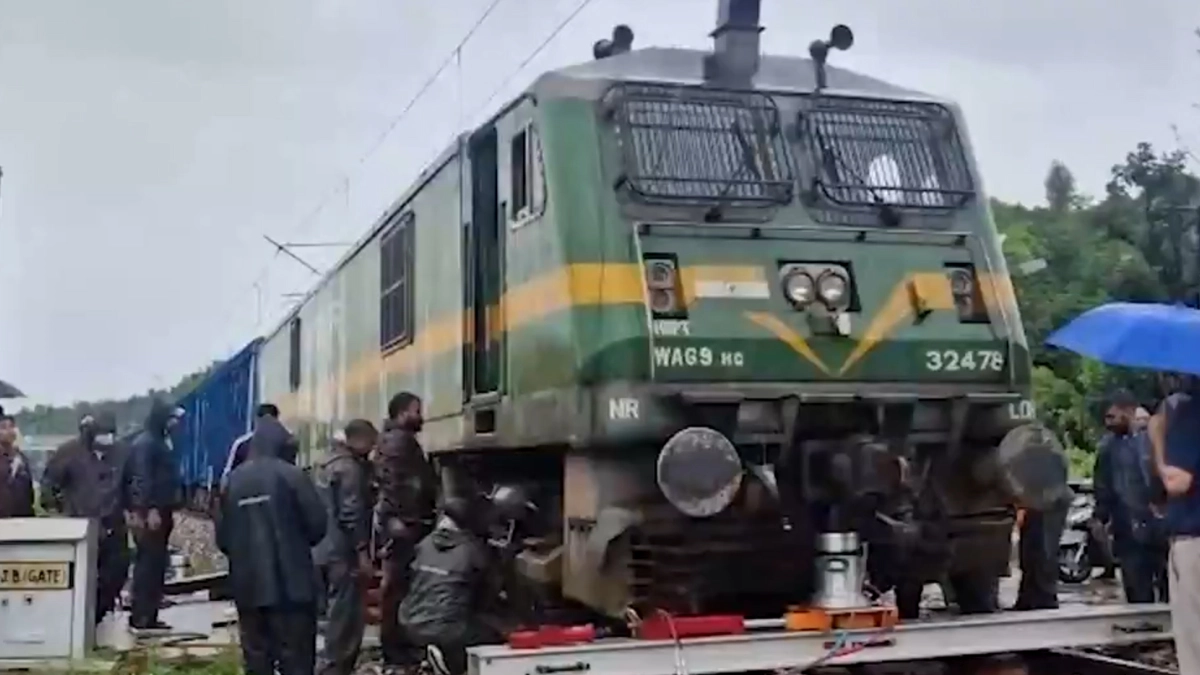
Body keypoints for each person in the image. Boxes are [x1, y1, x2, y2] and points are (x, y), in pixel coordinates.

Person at [217, 417, 327, 675]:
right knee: (297, 660)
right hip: (293, 589)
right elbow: (317, 526)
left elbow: (223, 540)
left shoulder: (232, 481)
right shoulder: (293, 476)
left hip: (248, 590)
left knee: (257, 660)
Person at [40, 412, 131, 624]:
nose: (107, 439)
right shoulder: (68, 452)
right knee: (82, 576)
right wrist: (59, 507)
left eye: (110, 434)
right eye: (102, 434)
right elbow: (49, 485)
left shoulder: (122, 452)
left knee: (117, 572)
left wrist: (133, 508)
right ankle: (84, 618)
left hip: (113, 524)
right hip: (80, 526)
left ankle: (100, 609)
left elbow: (130, 482)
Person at [374, 392, 440, 674]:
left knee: (398, 588)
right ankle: (396, 650)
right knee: (397, 588)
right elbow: (393, 485)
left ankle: (398, 647)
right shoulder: (398, 442)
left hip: (404, 524)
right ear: (402, 413)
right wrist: (399, 520)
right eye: (416, 410)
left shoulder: (396, 440)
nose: (420, 416)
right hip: (404, 526)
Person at [399, 496, 501, 675]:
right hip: (447, 630)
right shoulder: (472, 550)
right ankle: (453, 666)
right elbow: (487, 593)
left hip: (410, 623)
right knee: (493, 637)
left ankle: (433, 658)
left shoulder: (423, 544)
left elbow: (408, 581)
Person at [315, 419, 379, 675]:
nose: (373, 448)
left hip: (322, 548)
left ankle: (329, 662)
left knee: (332, 610)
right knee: (346, 613)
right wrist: (363, 553)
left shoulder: (324, 464)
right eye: (371, 442)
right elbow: (351, 514)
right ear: (359, 440)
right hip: (342, 551)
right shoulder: (350, 469)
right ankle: (336, 666)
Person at [1093, 390, 1168, 603]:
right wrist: (1100, 516)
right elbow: (1103, 486)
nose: (1108, 422)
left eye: (1112, 416)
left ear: (1127, 411)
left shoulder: (1153, 438)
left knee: (1168, 587)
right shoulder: (1109, 446)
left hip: (1159, 524)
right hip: (1128, 527)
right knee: (1137, 589)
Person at [1149, 374, 1200, 674]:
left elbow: (1176, 482)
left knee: (1193, 638)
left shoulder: (1189, 412)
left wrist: (1156, 437)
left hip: (1193, 538)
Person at [125, 398, 185, 632]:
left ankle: (149, 615)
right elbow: (142, 478)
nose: (174, 422)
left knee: (156, 563)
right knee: (148, 565)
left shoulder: (158, 441)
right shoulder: (147, 444)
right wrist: (148, 509)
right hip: (152, 514)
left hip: (161, 510)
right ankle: (141, 617)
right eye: (171, 418)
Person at [1012, 424, 1073, 611]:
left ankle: (1045, 596)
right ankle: (1029, 597)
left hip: (1050, 505)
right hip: (1037, 504)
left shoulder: (1048, 458)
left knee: (1045, 551)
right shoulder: (1033, 457)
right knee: (1030, 552)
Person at [220, 403, 296, 493]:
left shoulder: (242, 444)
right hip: (276, 492)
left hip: (247, 491)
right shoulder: (286, 442)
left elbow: (227, 479)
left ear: (257, 420)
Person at [0, 414, 34, 518]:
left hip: (22, 517)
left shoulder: (21, 458)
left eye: (11, 426)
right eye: (3, 427)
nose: (9, 431)